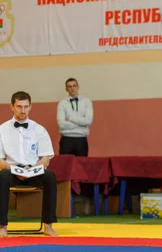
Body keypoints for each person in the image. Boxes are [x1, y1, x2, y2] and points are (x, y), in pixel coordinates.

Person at [0, 91, 58, 237]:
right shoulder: (2, 130)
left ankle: (48, 225)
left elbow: (46, 159)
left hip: (34, 170)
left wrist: (34, 169)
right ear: (12, 107)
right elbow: (0, 161)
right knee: (3, 177)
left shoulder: (39, 129)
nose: (23, 111)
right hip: (11, 171)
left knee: (50, 176)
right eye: (19, 106)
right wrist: (14, 169)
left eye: (26, 107)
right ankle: (2, 227)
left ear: (30, 107)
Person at [57, 78, 94, 156]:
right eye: (69, 86)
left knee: (81, 166)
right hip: (66, 140)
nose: (72, 88)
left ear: (78, 87)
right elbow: (62, 124)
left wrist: (70, 119)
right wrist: (81, 123)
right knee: (65, 166)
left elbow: (88, 121)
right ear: (66, 89)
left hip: (81, 140)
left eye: (74, 86)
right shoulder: (62, 103)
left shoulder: (86, 102)